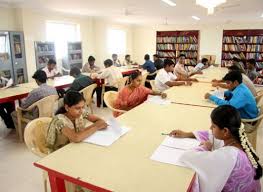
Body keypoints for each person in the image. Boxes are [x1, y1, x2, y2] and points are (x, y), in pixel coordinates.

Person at [169, 105, 261, 192]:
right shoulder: (238, 140)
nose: (210, 128)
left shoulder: (229, 155)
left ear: (225, 131)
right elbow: (210, 134)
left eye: (213, 126)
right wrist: (186, 134)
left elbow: (187, 157)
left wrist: (205, 147)